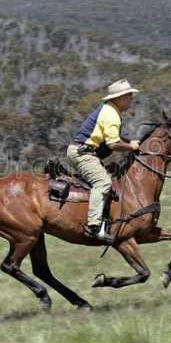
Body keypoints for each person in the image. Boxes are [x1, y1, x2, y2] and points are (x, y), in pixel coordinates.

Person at [67, 79, 141, 244]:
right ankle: (94, 226)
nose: (131, 98)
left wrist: (128, 142)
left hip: (83, 152)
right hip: (82, 154)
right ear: (119, 98)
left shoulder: (110, 110)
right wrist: (131, 146)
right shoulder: (111, 114)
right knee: (103, 182)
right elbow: (113, 144)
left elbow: (113, 139)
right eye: (128, 95)